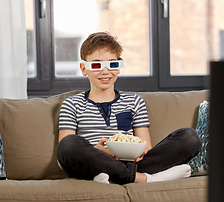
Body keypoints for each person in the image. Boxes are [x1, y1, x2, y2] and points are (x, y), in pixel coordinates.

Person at [56, 32, 201, 184]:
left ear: (118, 67)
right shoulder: (71, 104)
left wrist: (138, 153)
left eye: (112, 64)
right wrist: (96, 151)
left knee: (190, 138)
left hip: (132, 163)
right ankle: (142, 178)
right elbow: (62, 160)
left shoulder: (134, 101)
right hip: (93, 162)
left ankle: (113, 176)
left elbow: (146, 149)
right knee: (68, 144)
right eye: (97, 65)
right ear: (83, 68)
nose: (105, 71)